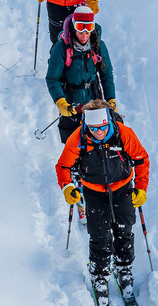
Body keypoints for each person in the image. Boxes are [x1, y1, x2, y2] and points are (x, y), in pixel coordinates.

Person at [57, 102, 149, 294]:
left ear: (108, 123)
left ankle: (124, 268)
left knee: (124, 229)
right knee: (99, 234)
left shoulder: (123, 133)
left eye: (102, 127)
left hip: (122, 187)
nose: (99, 132)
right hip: (93, 191)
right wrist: (67, 186)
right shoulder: (79, 137)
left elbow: (141, 159)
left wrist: (141, 188)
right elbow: (63, 166)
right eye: (94, 128)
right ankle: (99, 274)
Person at [46, 4, 115, 142]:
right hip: (71, 103)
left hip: (94, 100)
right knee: (72, 143)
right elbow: (52, 78)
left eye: (88, 31)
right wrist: (60, 102)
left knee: (98, 140)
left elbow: (107, 75)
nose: (84, 36)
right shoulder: (61, 47)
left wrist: (110, 99)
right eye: (80, 31)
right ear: (73, 27)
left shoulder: (98, 46)